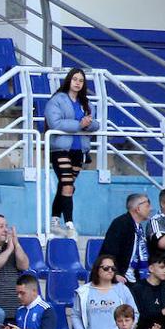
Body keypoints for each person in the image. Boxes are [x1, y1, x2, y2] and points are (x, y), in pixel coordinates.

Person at [44, 67, 98, 237]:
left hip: (79, 149)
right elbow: (55, 123)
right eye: (75, 79)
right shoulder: (57, 100)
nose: (77, 83)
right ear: (69, 80)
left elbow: (96, 124)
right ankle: (69, 224)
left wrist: (89, 124)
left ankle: (54, 221)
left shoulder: (86, 103)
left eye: (81, 80)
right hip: (61, 148)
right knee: (67, 185)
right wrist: (78, 125)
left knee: (66, 186)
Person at [100, 193, 153, 282]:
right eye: (147, 206)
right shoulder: (121, 224)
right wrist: (115, 274)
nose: (150, 209)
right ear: (138, 208)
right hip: (120, 277)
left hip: (135, 278)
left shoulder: (138, 227)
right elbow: (108, 252)